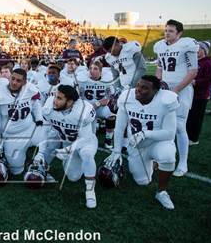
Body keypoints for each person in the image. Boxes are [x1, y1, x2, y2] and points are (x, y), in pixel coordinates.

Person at [107, 75, 179, 209]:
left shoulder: (166, 101)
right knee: (143, 181)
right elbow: (120, 127)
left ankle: (162, 192)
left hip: (157, 142)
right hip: (136, 146)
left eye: (144, 88)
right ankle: (152, 165)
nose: (138, 90)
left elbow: (169, 133)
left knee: (168, 155)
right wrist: (116, 150)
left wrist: (145, 133)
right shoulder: (127, 98)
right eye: (138, 85)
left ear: (155, 91)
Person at [39, 84, 98, 208]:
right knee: (73, 177)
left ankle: (90, 190)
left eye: (59, 98)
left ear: (70, 101)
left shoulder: (82, 111)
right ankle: (43, 167)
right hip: (66, 141)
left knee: (86, 154)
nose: (55, 100)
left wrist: (68, 150)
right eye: (55, 96)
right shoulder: (49, 107)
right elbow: (44, 131)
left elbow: (85, 138)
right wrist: (41, 152)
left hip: (86, 142)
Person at [154, 19, 199, 177]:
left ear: (179, 33)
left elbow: (193, 71)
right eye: (166, 30)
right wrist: (158, 84)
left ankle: (183, 162)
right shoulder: (160, 46)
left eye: (171, 31)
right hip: (166, 90)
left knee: (180, 126)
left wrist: (177, 89)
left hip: (182, 90)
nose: (167, 33)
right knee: (162, 125)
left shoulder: (187, 45)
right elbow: (159, 68)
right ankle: (165, 156)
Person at [0, 69, 45, 175]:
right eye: (12, 78)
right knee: (16, 170)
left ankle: (38, 157)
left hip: (30, 129)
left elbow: (35, 103)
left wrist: (39, 119)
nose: (14, 82)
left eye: (18, 80)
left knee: (47, 140)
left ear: (24, 82)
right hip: (12, 136)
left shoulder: (29, 89)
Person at [186, 40, 211, 145]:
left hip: (201, 96)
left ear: (204, 50)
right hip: (191, 94)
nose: (196, 51)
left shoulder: (208, 63)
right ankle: (187, 136)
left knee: (196, 118)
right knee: (189, 117)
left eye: (199, 49)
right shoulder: (195, 61)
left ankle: (194, 139)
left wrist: (196, 82)